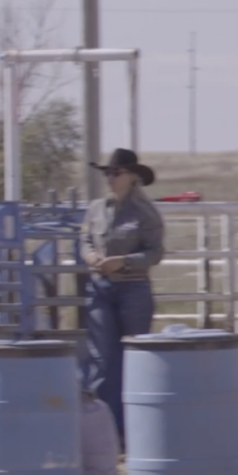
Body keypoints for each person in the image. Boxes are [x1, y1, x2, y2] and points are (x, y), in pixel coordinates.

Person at [80, 147, 165, 436]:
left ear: (132, 177)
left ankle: (135, 429)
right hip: (100, 286)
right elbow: (85, 239)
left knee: (135, 357)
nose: (110, 177)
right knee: (101, 357)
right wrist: (90, 256)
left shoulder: (145, 212)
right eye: (107, 172)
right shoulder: (95, 209)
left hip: (133, 287)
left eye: (115, 172)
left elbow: (155, 252)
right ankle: (104, 430)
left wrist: (125, 262)